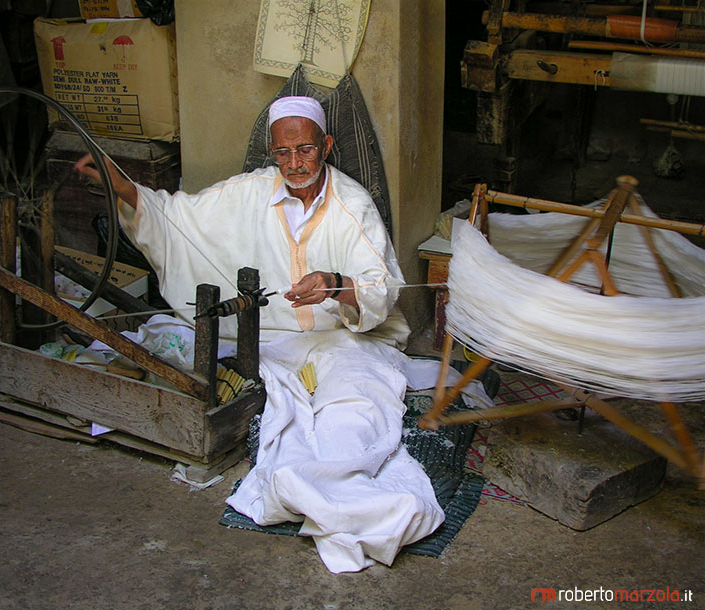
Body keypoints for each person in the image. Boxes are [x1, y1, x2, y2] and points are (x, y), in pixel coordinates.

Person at [75, 96, 444, 573]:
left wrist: (334, 283)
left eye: (306, 150)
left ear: (326, 146)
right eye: (283, 152)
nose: (294, 164)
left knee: (356, 413)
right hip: (269, 342)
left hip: (344, 340)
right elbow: (177, 217)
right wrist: (123, 187)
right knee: (283, 424)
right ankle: (301, 484)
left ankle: (353, 499)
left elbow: (380, 285)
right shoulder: (248, 192)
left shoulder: (353, 204)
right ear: (272, 151)